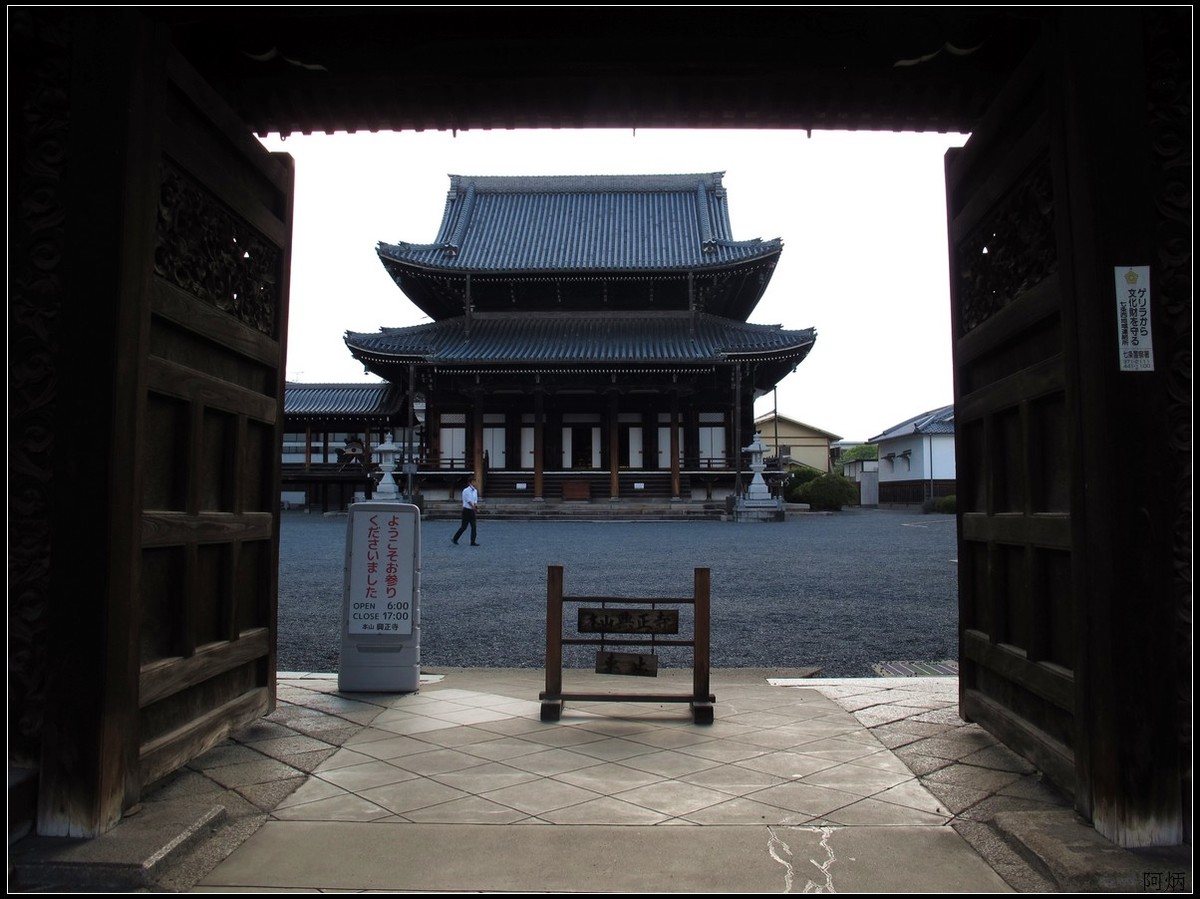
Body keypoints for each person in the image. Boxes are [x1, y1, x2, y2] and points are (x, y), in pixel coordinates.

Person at [452, 475, 480, 546]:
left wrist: (476, 506)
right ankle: (455, 538)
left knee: (474, 526)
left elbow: (475, 500)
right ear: (470, 482)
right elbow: (468, 501)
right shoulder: (466, 491)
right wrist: (474, 507)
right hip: (467, 510)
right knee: (464, 527)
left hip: (472, 510)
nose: (475, 483)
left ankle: (473, 541)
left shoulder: (475, 491)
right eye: (474, 481)